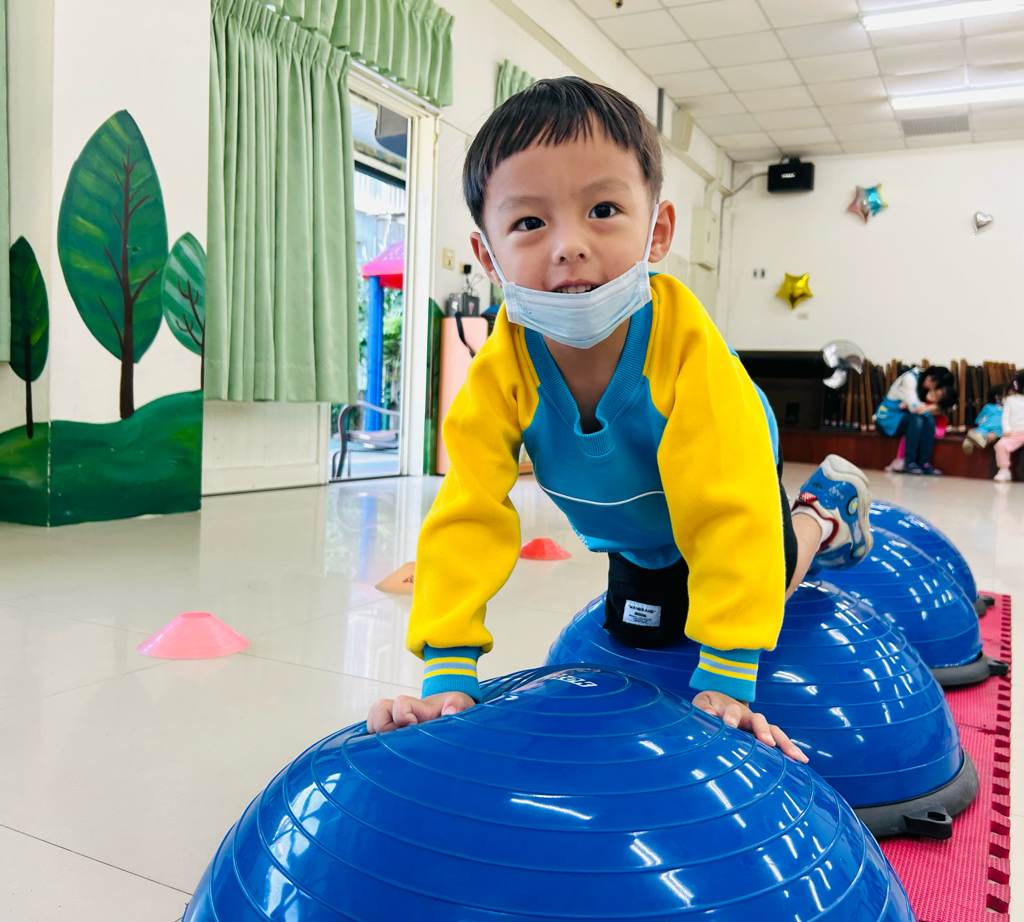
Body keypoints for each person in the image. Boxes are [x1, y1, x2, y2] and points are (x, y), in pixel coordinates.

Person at [366, 78, 873, 761]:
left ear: (656, 232)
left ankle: (823, 515)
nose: (568, 245)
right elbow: (467, 514)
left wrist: (727, 677)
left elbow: (729, 512)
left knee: (771, 574)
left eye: (603, 209)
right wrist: (448, 673)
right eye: (529, 223)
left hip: (729, 486)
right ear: (487, 257)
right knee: (647, 634)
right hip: (636, 531)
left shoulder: (687, 350)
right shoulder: (499, 371)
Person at [875, 365, 957, 474]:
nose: (931, 386)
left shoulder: (924, 383)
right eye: (932, 381)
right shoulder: (910, 379)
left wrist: (932, 407)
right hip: (888, 419)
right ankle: (909, 462)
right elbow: (916, 408)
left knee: (929, 420)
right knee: (917, 419)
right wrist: (935, 407)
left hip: (905, 417)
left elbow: (951, 405)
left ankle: (924, 462)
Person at [994, 372, 1024, 482]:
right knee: (1001, 445)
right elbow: (1005, 417)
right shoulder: (1010, 400)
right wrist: (1006, 430)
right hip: (1014, 434)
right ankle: (1004, 470)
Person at [963, 385, 1005, 454]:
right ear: (997, 397)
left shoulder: (988, 406)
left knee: (988, 434)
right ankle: (976, 440)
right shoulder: (990, 407)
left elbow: (979, 421)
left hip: (991, 429)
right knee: (986, 434)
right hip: (994, 429)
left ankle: (976, 440)